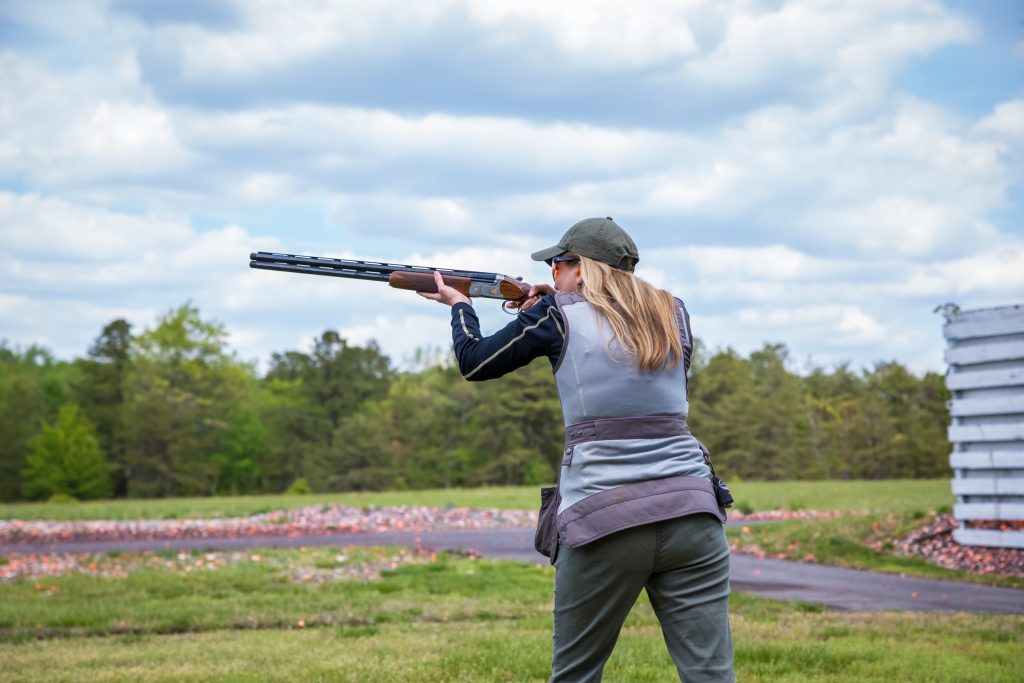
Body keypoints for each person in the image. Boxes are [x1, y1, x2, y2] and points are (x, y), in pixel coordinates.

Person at [418, 217, 734, 682]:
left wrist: (460, 304)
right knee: (710, 674)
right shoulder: (675, 312)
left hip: (604, 518)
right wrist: (553, 304)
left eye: (558, 265)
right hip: (693, 513)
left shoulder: (554, 316)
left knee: (576, 675)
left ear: (580, 269)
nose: (552, 276)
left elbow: (475, 361)